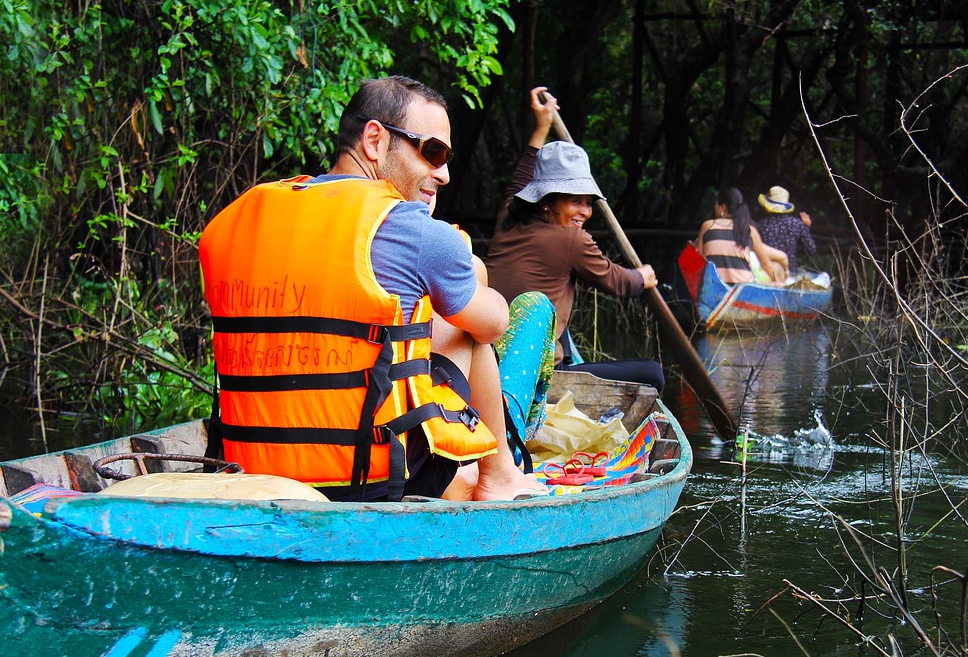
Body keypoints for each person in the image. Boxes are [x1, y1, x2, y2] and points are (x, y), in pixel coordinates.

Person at [199, 75, 546, 503]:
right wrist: (469, 268)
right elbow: (493, 324)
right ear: (375, 140)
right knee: (470, 326)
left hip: (247, 468)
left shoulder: (238, 219)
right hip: (370, 479)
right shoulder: (414, 229)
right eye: (433, 152)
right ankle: (500, 478)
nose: (445, 174)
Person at [485, 87, 665, 391]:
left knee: (560, 331)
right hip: (534, 372)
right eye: (574, 201)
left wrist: (542, 126)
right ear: (547, 201)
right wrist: (641, 278)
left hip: (489, 361)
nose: (584, 211)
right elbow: (617, 281)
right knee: (653, 373)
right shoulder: (572, 239)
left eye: (588, 202)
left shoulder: (508, 218)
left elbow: (521, 176)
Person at [696, 187, 789, 284]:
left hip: (713, 284)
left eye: (716, 204)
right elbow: (766, 263)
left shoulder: (708, 226)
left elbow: (699, 261)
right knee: (776, 269)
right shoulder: (749, 230)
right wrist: (779, 283)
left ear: (723, 207)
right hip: (743, 287)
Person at [757, 185, 817, 272]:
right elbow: (811, 249)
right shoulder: (797, 224)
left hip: (767, 271)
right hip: (789, 272)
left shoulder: (760, 225)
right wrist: (806, 228)